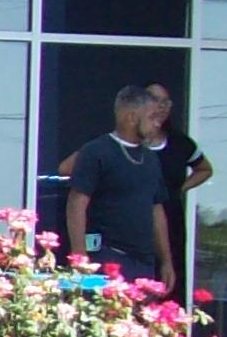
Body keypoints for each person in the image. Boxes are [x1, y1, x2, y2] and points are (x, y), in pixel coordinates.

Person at [64, 83, 172, 292]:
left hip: (144, 262)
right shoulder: (97, 151)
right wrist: (79, 256)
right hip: (108, 257)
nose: (157, 124)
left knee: (140, 323)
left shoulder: (151, 159)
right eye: (151, 117)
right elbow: (76, 203)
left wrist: (166, 260)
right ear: (131, 117)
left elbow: (157, 210)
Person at [138, 81, 212, 292]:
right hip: (133, 219)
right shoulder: (129, 141)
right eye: (154, 100)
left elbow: (205, 169)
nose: (160, 107)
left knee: (169, 278)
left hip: (170, 218)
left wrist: (181, 188)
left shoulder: (180, 143)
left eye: (165, 102)